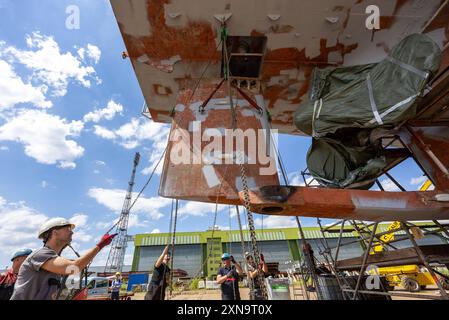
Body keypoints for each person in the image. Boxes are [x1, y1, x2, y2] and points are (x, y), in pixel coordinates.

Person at [10, 217, 116, 300]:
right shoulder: (41, 254)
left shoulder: (54, 260)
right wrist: (100, 246)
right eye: (67, 229)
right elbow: (73, 267)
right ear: (54, 232)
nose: (72, 232)